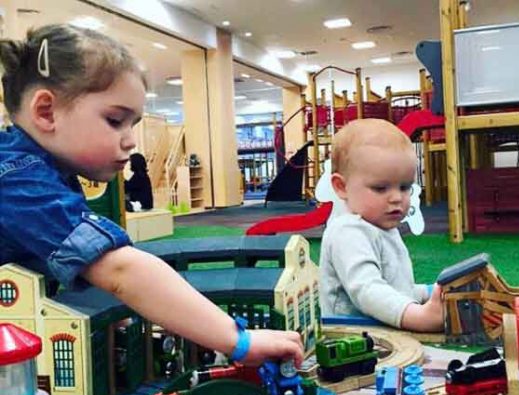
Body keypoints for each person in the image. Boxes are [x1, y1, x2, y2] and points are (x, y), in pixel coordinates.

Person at [0, 25, 303, 368]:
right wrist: (239, 340)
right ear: (46, 112)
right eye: (115, 120)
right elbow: (120, 269)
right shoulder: (18, 180)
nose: (130, 140)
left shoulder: (47, 176)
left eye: (133, 123)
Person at [319, 119, 443, 331]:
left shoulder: (379, 226)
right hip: (351, 336)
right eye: (380, 188)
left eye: (405, 187)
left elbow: (393, 287)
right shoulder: (347, 232)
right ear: (341, 187)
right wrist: (418, 316)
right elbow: (368, 291)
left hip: (379, 330)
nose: (396, 198)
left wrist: (429, 292)